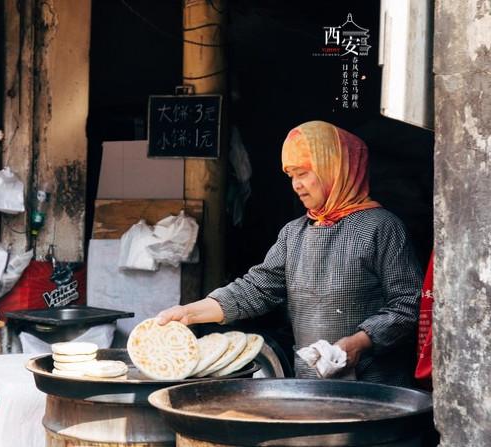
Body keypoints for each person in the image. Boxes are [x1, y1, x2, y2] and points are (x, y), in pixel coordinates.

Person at [157, 120, 422, 386]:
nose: (296, 184)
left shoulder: (382, 227)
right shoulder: (293, 233)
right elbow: (255, 289)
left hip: (374, 385)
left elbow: (408, 304)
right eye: (291, 175)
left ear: (335, 168)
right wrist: (188, 313)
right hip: (309, 382)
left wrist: (359, 343)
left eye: (304, 172)